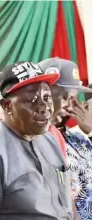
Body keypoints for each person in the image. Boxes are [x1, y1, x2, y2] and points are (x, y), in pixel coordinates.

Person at [0, 61, 74, 219]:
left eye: (46, 97)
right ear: (7, 105)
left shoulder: (50, 139)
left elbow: (67, 202)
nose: (43, 107)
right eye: (31, 101)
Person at [38, 57, 92, 220]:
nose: (70, 106)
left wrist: (90, 132)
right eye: (64, 97)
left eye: (74, 99)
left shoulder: (78, 138)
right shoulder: (33, 142)